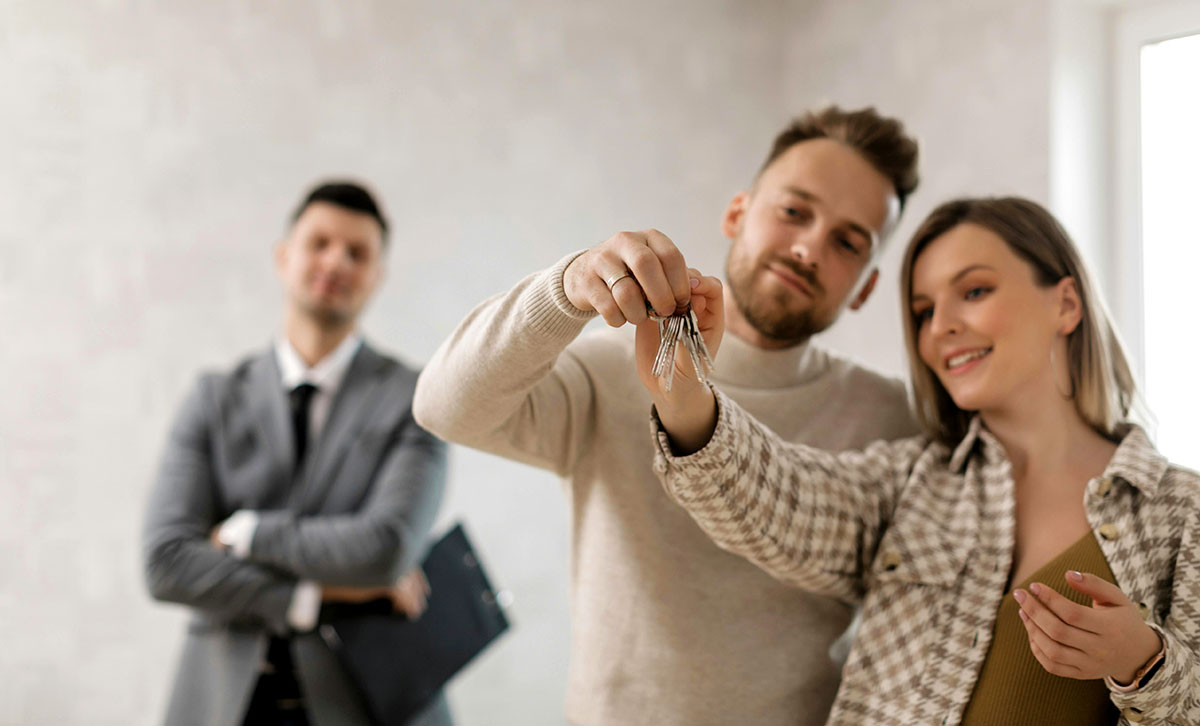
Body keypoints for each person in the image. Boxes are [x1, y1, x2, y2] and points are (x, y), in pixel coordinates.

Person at [413, 107, 920, 725]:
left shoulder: (893, 418)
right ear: (738, 213)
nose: (809, 246)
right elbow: (443, 408)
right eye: (794, 211)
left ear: (865, 286)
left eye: (848, 241)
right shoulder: (608, 370)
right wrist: (565, 289)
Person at [641, 196, 1200, 725]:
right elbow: (779, 497)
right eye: (924, 310)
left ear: (1066, 303)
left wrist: (1144, 662)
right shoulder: (911, 483)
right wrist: (685, 397)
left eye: (975, 291)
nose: (940, 328)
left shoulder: (1182, 511)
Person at [143, 182, 452, 726]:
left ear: (377, 278)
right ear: (284, 257)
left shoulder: (420, 397)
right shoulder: (214, 397)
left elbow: (386, 549)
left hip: (369, 703)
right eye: (320, 243)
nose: (336, 261)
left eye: (358, 253)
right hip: (224, 702)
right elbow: (167, 563)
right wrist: (317, 592)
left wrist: (248, 534)